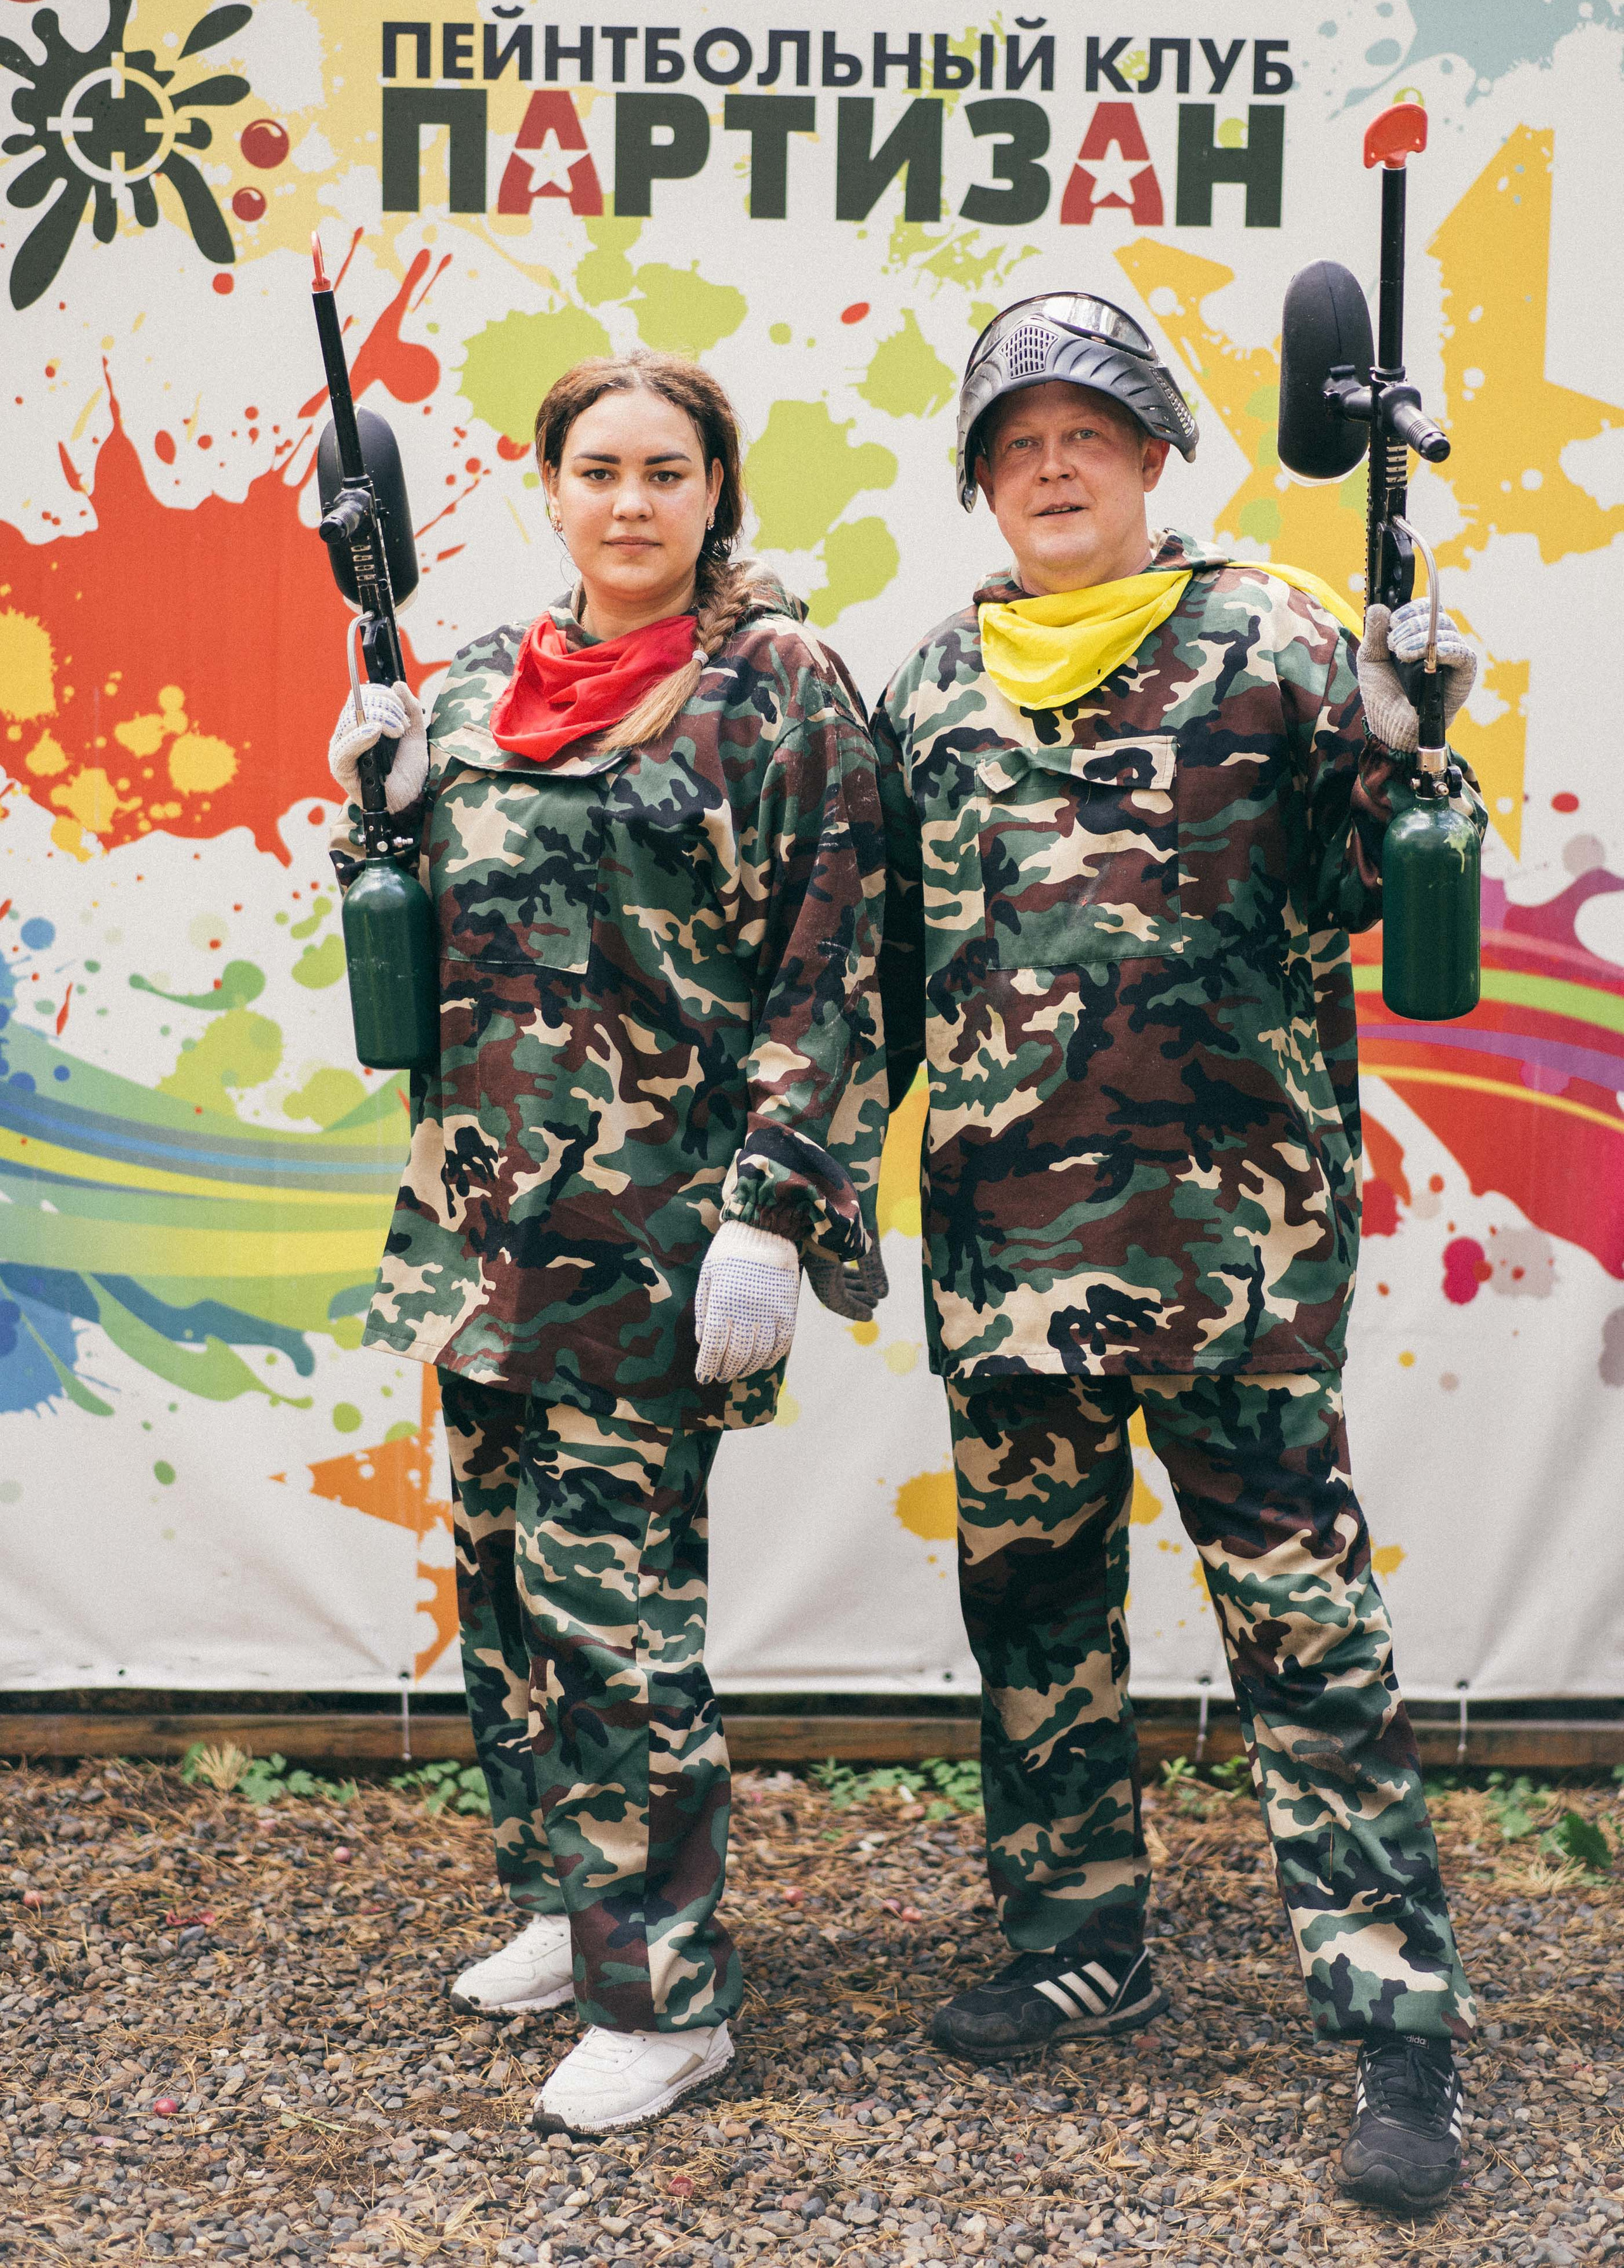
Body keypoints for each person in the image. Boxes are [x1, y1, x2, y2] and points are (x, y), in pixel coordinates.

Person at [872, 293, 1483, 2212]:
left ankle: (1394, 2015)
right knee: (1033, 1618)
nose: (1054, 468)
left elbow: (1406, 888)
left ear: (1154, 460)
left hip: (1238, 1252)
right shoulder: (928, 688)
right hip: (1003, 1257)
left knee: (1307, 1637)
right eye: (1019, 442)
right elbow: (872, 973)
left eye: (1090, 435)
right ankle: (1083, 1937)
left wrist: (1416, 732)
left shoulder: (1283, 636)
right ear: (984, 479)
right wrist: (775, 1190)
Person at [325, 350, 887, 2134]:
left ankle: (672, 1997)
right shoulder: (484, 678)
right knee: (502, 1594)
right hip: (485, 1219)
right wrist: (371, 803)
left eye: (667, 467)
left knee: (618, 1616)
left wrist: (778, 1209)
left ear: (717, 487)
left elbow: (836, 968)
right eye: (598, 468)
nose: (631, 500)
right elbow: (420, 944)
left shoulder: (781, 687)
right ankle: (577, 1916)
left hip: (660, 1234)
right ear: (546, 490)